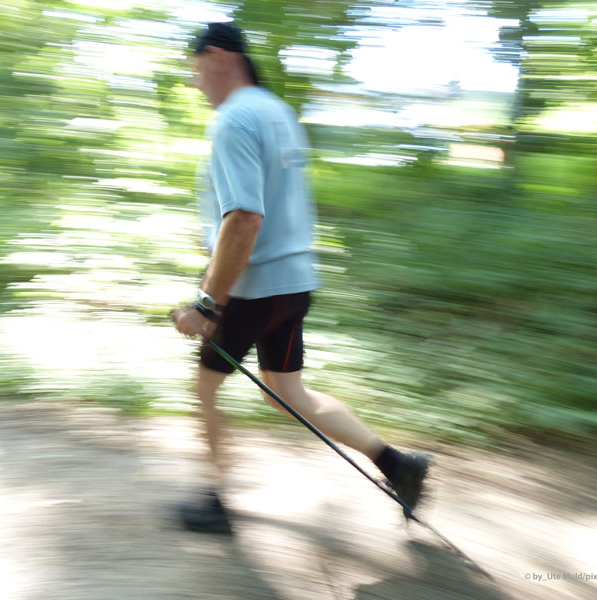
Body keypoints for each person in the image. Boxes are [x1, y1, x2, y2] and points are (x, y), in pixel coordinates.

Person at [172, 22, 430, 534]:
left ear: (219, 57)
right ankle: (398, 464)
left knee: (203, 388)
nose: (196, 82)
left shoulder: (233, 119)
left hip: (252, 287)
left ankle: (215, 502)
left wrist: (206, 303)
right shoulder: (277, 112)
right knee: (287, 392)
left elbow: (244, 218)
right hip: (293, 284)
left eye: (196, 69)